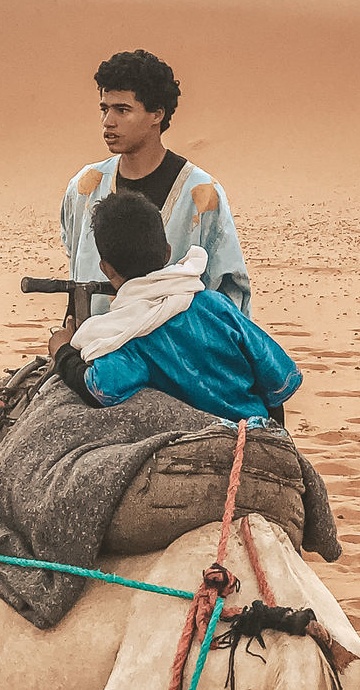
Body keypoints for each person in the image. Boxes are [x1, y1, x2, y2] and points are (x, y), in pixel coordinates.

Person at [49, 192, 301, 423]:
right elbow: (279, 379)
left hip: (195, 445)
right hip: (258, 435)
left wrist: (63, 352)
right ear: (167, 253)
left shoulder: (126, 334)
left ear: (106, 269)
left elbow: (102, 389)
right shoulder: (215, 305)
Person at [60, 49, 252, 316]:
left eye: (122, 110)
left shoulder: (202, 196)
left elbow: (229, 292)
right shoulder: (85, 187)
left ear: (157, 114)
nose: (108, 122)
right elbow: (76, 269)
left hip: (176, 353)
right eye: (104, 109)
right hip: (94, 349)